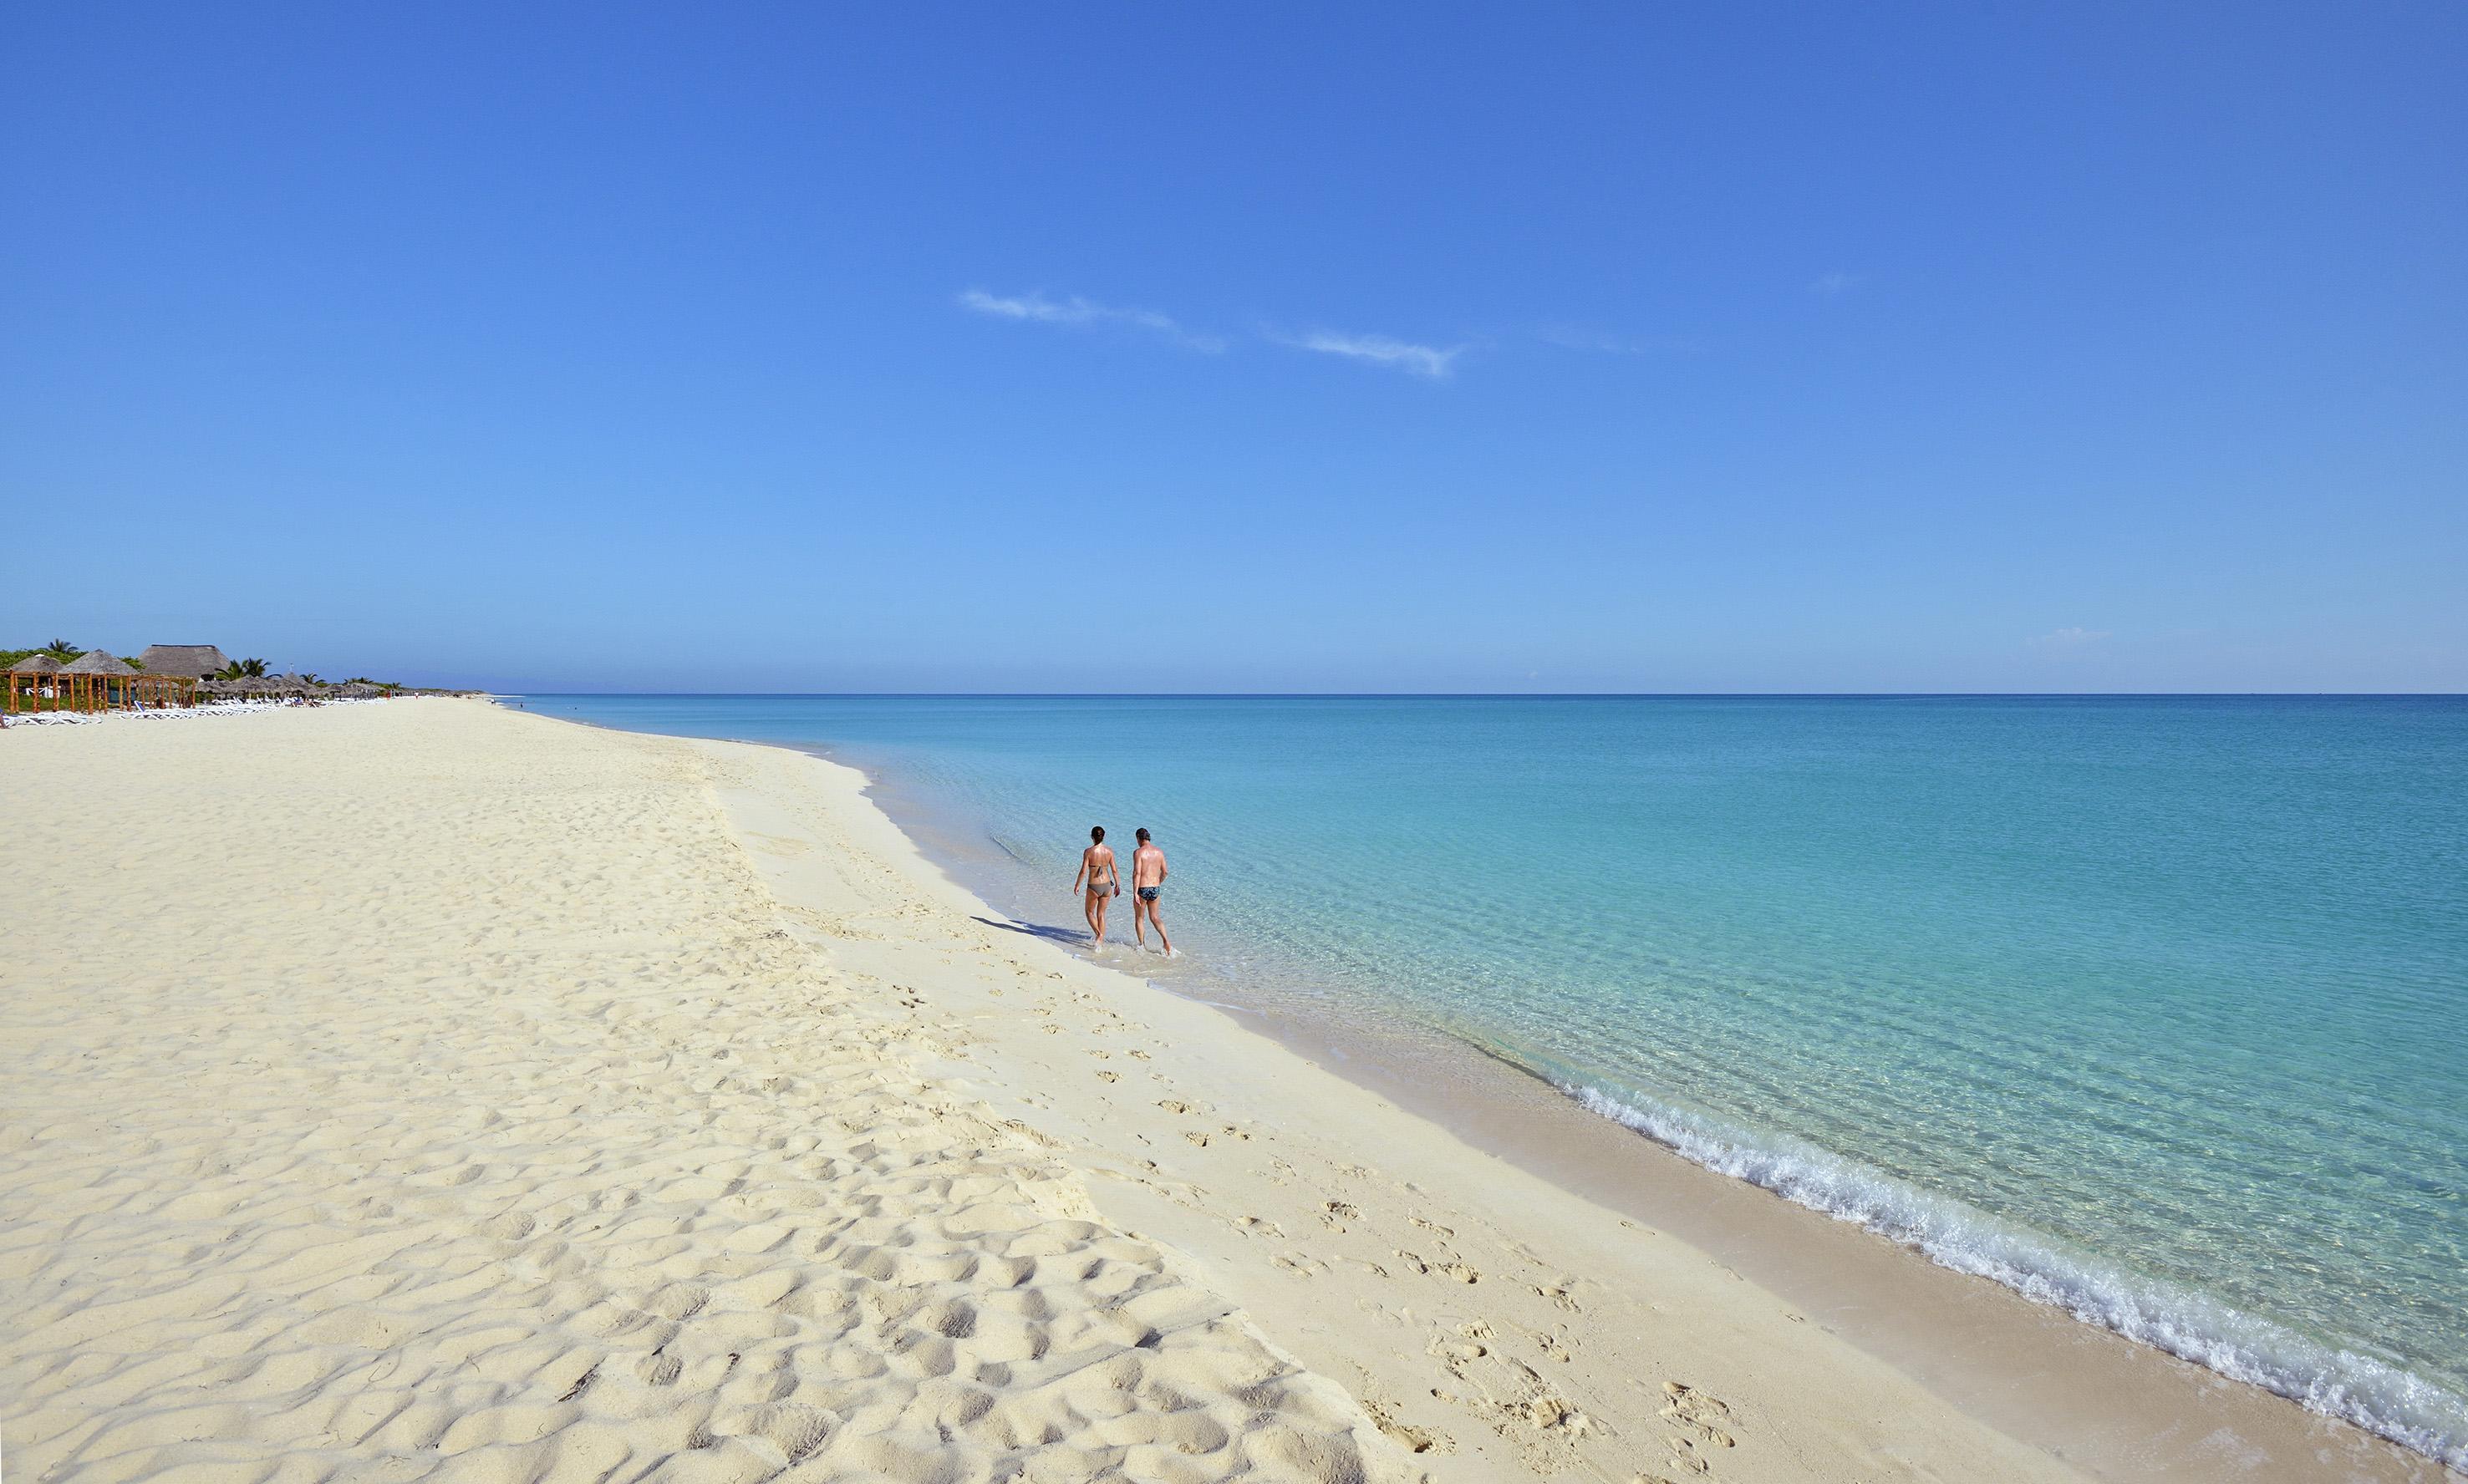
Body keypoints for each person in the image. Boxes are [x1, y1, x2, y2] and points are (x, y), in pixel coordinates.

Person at [1072, 825, 1119, 952]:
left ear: (1092, 837)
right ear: (1103, 837)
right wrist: (1118, 885)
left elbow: (1083, 871)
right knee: (1101, 914)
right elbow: (1114, 870)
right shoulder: (1109, 851)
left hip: (1094, 886)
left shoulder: (1088, 852)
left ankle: (1099, 934)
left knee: (1089, 912)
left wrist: (1077, 885)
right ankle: (1100, 942)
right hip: (1107, 885)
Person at [1130, 828, 1173, 956]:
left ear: (1139, 838)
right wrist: (1158, 882)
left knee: (1139, 918)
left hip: (1142, 888)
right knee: (1155, 918)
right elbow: (1165, 872)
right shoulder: (1159, 852)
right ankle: (1166, 941)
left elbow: (1137, 873)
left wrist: (1135, 892)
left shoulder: (1138, 852)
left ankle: (1142, 945)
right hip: (1155, 888)